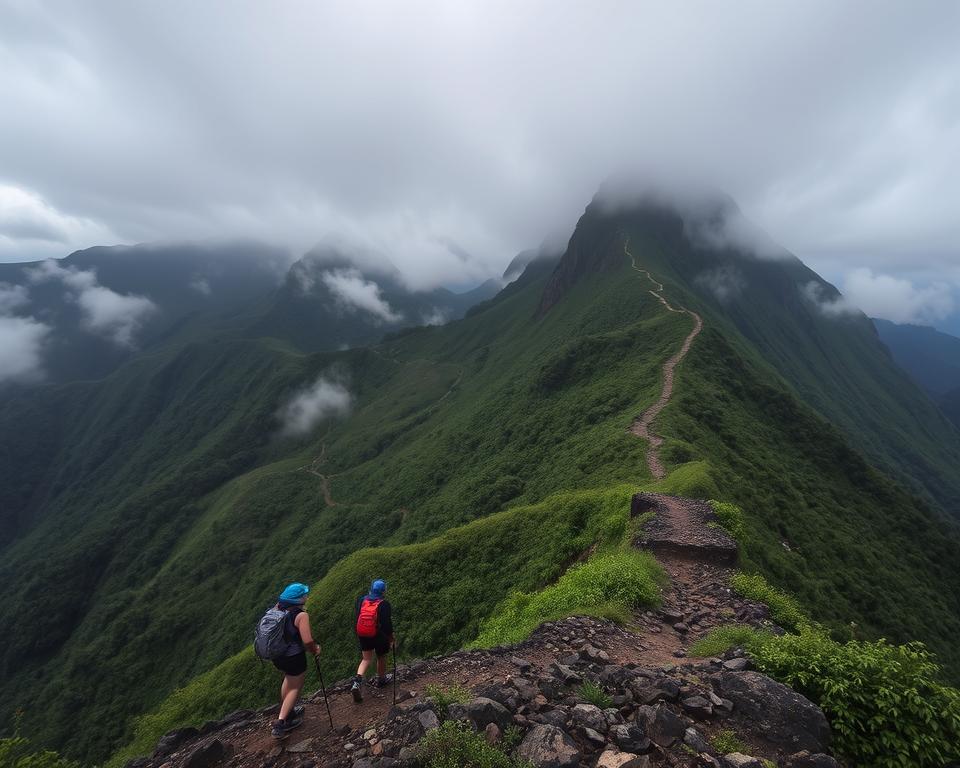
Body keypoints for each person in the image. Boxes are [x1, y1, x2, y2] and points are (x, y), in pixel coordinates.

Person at [271, 582, 321, 739]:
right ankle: (281, 723)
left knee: (288, 679)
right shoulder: (301, 615)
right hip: (293, 657)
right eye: (304, 594)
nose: (306, 596)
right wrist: (315, 649)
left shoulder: (277, 609)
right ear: (298, 599)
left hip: (277, 656)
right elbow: (307, 641)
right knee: (295, 688)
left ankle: (288, 710)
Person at [350, 578, 394, 702]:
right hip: (378, 635)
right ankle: (381, 680)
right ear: (383, 591)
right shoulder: (384, 604)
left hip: (363, 633)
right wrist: (391, 639)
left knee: (366, 659)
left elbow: (357, 615)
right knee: (381, 656)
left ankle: (356, 683)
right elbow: (387, 625)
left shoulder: (362, 600)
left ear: (372, 589)